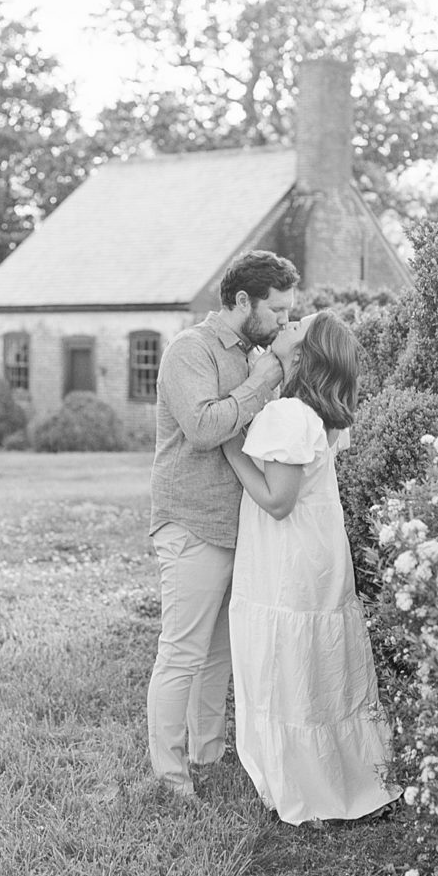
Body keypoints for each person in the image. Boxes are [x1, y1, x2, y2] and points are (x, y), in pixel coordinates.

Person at [222, 311, 403, 825]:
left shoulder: (288, 415)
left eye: (298, 325)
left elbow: (277, 502)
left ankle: (303, 784)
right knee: (318, 664)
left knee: (288, 665)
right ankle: (341, 771)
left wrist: (231, 447)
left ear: (304, 356)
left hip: (287, 558)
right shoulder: (320, 415)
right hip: (319, 554)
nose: (289, 320)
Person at [147, 249, 300, 797]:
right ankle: (169, 777)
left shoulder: (255, 355)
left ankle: (207, 756)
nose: (284, 321)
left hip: (239, 526)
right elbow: (204, 427)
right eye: (278, 310)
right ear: (243, 301)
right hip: (192, 521)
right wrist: (264, 379)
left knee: (218, 655)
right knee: (182, 652)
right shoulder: (192, 350)